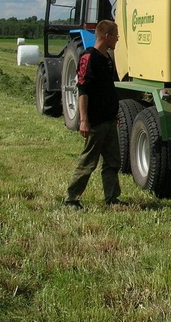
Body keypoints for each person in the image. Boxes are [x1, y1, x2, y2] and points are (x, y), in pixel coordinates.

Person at [64, 20, 126, 209]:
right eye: (116, 35)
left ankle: (112, 198)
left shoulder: (107, 58)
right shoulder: (88, 57)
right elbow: (83, 90)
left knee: (113, 161)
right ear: (107, 36)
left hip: (109, 120)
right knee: (88, 162)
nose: (117, 39)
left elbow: (107, 89)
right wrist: (84, 120)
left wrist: (113, 113)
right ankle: (71, 199)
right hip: (96, 122)